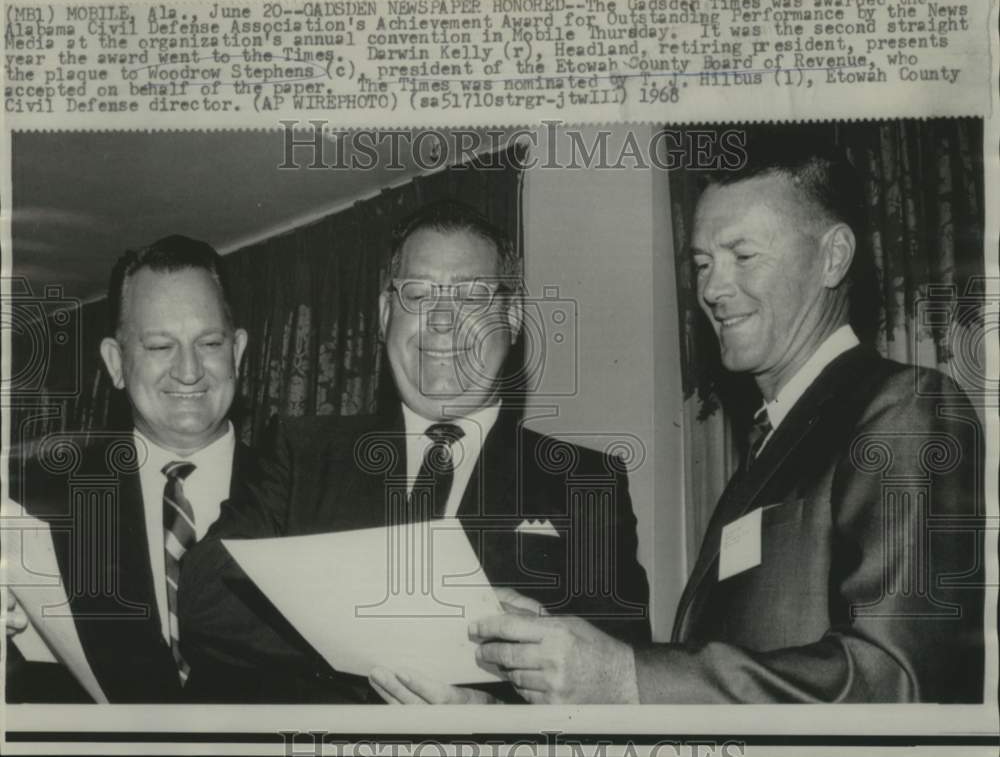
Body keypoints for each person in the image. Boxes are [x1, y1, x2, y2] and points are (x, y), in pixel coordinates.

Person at [470, 139, 985, 703]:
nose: (713, 288)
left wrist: (624, 677)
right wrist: (545, 659)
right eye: (702, 263)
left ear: (833, 256)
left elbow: (895, 679)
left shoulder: (906, 407)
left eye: (743, 255)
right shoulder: (771, 443)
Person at [179, 201, 651, 703]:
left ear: (511, 318)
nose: (443, 320)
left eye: (471, 297)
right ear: (386, 315)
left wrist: (497, 721)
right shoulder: (303, 450)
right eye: (418, 293)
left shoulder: (586, 481)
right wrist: (373, 635)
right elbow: (205, 598)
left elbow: (620, 680)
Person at [6, 235, 253, 702]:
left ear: (237, 352)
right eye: (160, 346)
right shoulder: (37, 505)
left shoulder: (309, 493)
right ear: (116, 364)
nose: (188, 370)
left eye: (210, 342)